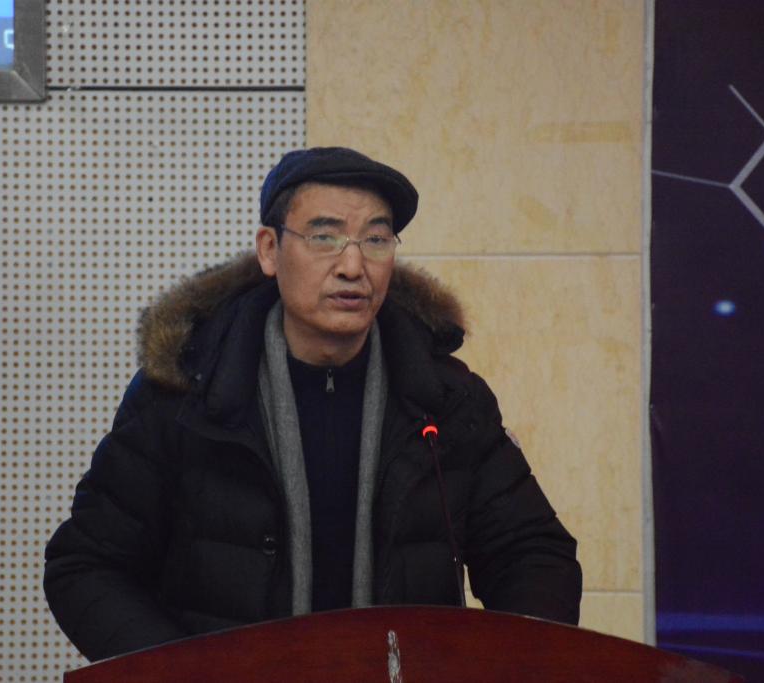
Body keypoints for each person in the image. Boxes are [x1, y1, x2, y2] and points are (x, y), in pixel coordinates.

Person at [44, 147, 582, 662]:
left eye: (376, 239)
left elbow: (533, 553)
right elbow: (87, 566)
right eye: (324, 237)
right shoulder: (184, 396)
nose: (353, 265)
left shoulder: (446, 401)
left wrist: (498, 667)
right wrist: (186, 673)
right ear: (270, 250)